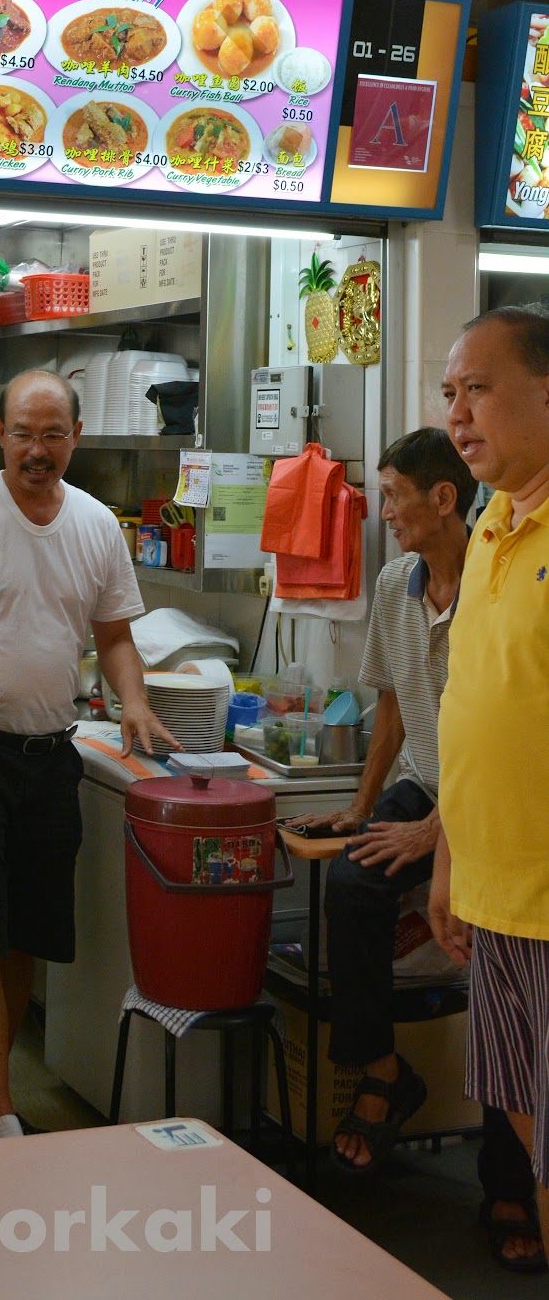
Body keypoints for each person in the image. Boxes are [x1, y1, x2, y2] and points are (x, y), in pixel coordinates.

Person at [0, 369, 177, 1144]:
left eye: (52, 435)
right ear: (0, 433)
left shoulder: (95, 525)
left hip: (52, 755)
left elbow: (114, 637)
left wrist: (134, 701)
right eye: (22, 433)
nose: (36, 450)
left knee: (23, 934)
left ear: (75, 437)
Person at [293, 429, 539, 1266]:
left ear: (443, 498)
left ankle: (507, 1182)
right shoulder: (395, 584)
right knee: (353, 882)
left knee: (501, 977)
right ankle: (382, 1071)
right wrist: (360, 808)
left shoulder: (498, 576)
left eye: (394, 495)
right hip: (423, 779)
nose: (384, 511)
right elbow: (394, 709)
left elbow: (498, 724)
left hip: (488, 799)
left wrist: (440, 832)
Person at [432, 302, 549, 1263]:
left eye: (477, 388)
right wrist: (449, 860)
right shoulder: (488, 529)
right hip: (492, 894)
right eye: (448, 393)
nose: (456, 415)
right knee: (524, 1115)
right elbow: (470, 707)